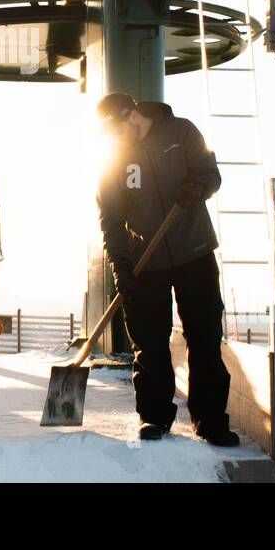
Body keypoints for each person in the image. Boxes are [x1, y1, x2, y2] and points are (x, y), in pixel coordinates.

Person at [94, 92, 238, 446]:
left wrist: (199, 187)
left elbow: (211, 174)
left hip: (195, 253)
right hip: (145, 262)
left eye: (117, 130)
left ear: (132, 115)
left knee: (204, 338)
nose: (115, 138)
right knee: (150, 343)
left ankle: (211, 422)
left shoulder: (182, 132)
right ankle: (154, 417)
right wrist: (120, 265)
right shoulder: (113, 159)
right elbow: (110, 218)